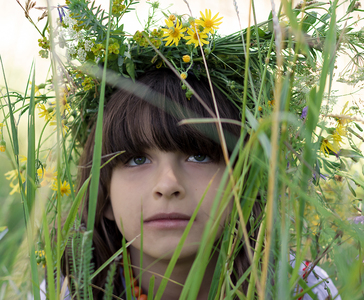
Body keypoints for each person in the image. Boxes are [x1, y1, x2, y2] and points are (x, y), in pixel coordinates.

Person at [38, 68, 340, 300]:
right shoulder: (67, 291)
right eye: (137, 160)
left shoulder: (302, 288)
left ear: (245, 184)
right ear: (101, 196)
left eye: (199, 156)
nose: (168, 185)